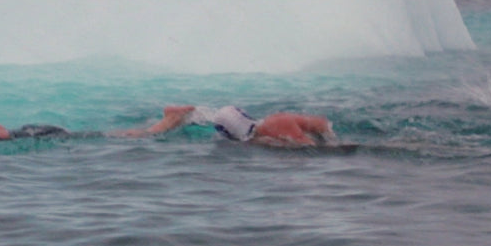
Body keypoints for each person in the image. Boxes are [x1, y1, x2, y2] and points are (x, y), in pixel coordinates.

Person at [112, 104, 335, 147]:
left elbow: (322, 126)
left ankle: (174, 117)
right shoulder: (274, 126)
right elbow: (312, 147)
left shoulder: (277, 125)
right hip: (234, 124)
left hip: (234, 125)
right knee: (205, 120)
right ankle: (175, 117)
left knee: (206, 121)